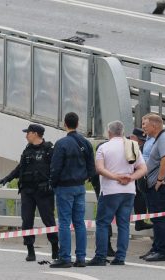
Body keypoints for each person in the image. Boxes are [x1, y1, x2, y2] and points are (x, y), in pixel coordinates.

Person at [87, 121, 147, 266]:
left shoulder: (104, 147)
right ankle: (120, 257)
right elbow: (143, 168)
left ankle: (100, 256)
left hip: (110, 191)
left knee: (102, 223)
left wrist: (115, 177)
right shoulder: (132, 146)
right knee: (123, 224)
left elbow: (99, 169)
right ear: (122, 131)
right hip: (129, 191)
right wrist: (130, 178)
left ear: (109, 132)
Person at [0, 124, 59, 262]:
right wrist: (7, 178)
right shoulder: (27, 150)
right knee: (26, 221)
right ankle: (30, 250)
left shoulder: (49, 150)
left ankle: (55, 248)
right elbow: (20, 168)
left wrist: (52, 184)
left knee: (48, 220)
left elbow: (56, 169)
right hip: (27, 191)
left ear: (35, 134)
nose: (26, 136)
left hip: (44, 192)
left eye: (28, 133)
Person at [49, 112, 95, 268]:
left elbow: (55, 168)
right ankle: (81, 258)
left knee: (64, 223)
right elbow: (92, 167)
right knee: (79, 223)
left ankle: (65, 258)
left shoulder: (62, 143)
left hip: (64, 187)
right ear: (77, 123)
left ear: (65, 124)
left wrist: (53, 184)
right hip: (80, 186)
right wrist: (84, 178)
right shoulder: (86, 143)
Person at [141, 114, 165, 262]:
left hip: (162, 185)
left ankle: (163, 251)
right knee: (163, 218)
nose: (143, 126)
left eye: (145, 124)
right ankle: (159, 248)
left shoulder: (164, 138)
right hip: (158, 185)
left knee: (159, 218)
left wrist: (159, 179)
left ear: (155, 125)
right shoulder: (159, 139)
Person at [130, 128, 153, 231]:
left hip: (132, 175)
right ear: (133, 137)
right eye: (140, 140)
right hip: (116, 177)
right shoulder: (124, 143)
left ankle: (140, 222)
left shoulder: (141, 147)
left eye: (143, 141)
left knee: (140, 193)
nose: (141, 143)